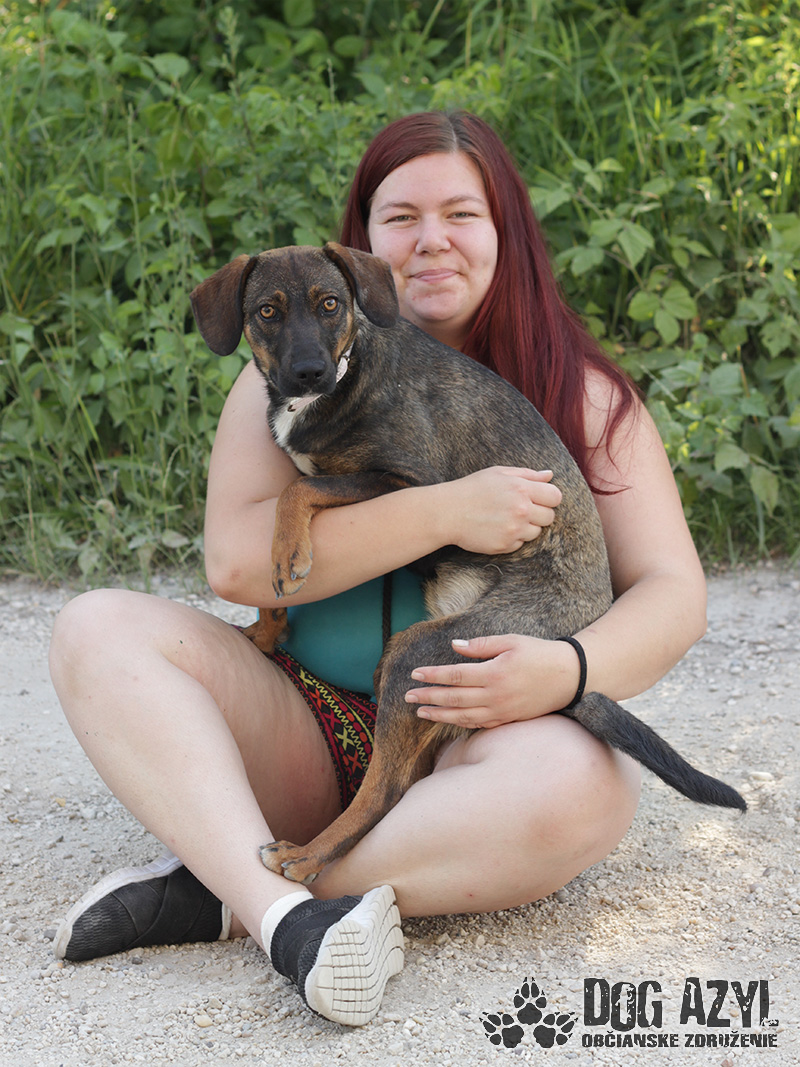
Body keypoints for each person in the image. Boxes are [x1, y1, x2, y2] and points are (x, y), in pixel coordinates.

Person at [48, 111, 706, 1026]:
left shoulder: (584, 394)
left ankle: (237, 890)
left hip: (470, 743)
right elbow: (236, 565)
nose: (431, 240)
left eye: (462, 214)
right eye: (400, 217)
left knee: (587, 786)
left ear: (507, 232)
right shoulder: (290, 380)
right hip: (302, 723)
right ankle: (281, 895)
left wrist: (571, 668)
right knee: (95, 628)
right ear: (362, 250)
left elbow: (674, 592)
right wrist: (450, 509)